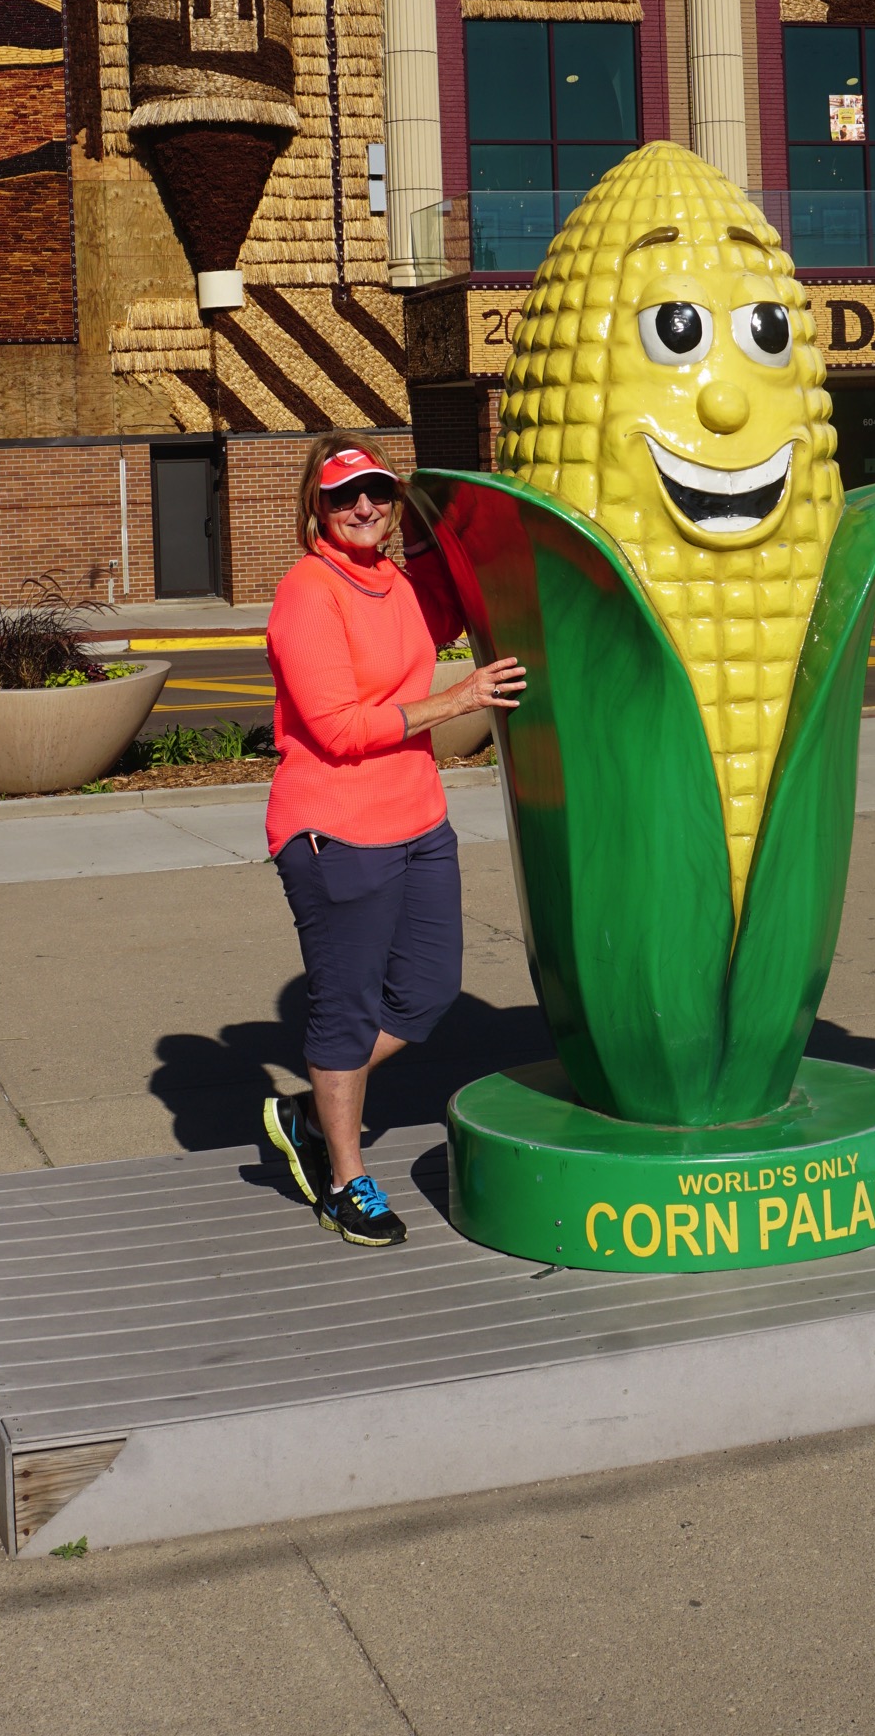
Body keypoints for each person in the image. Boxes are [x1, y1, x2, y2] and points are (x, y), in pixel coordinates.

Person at [261, 433, 526, 1246]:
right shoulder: (308, 593)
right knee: (345, 1011)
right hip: (335, 831)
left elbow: (451, 594)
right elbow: (338, 729)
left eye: (376, 492)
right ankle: (346, 1180)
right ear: (317, 507)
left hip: (417, 822)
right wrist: (460, 700)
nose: (364, 508)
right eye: (344, 497)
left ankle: (312, 1105)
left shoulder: (394, 585)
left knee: (427, 995)